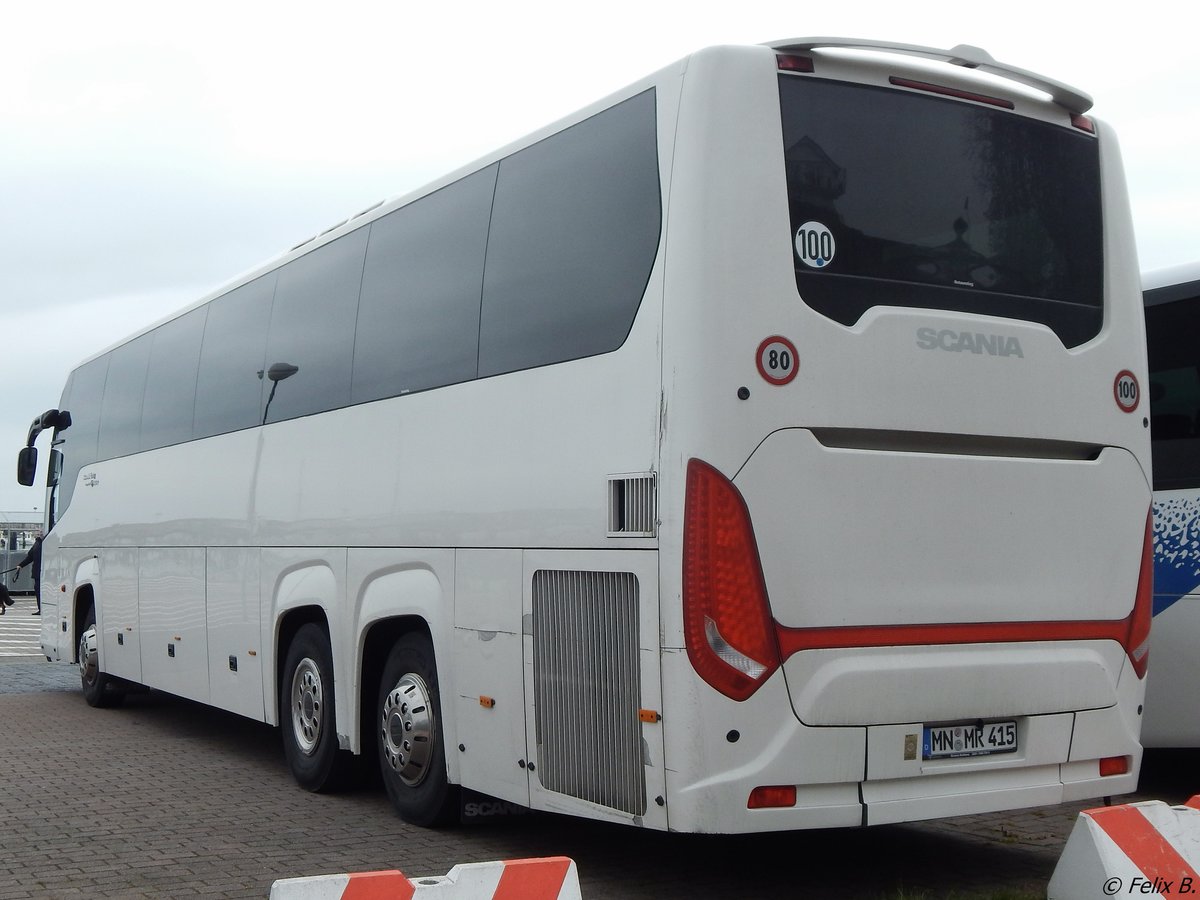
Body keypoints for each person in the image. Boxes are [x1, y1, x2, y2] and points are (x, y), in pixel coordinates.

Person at [14, 532, 42, 615]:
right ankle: (40, 609)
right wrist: (21, 565)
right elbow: (30, 557)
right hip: (37, 572)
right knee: (38, 590)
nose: (40, 534)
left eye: (41, 532)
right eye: (39, 532)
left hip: (46, 572)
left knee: (42, 591)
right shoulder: (37, 543)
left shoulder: (47, 543)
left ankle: (43, 609)